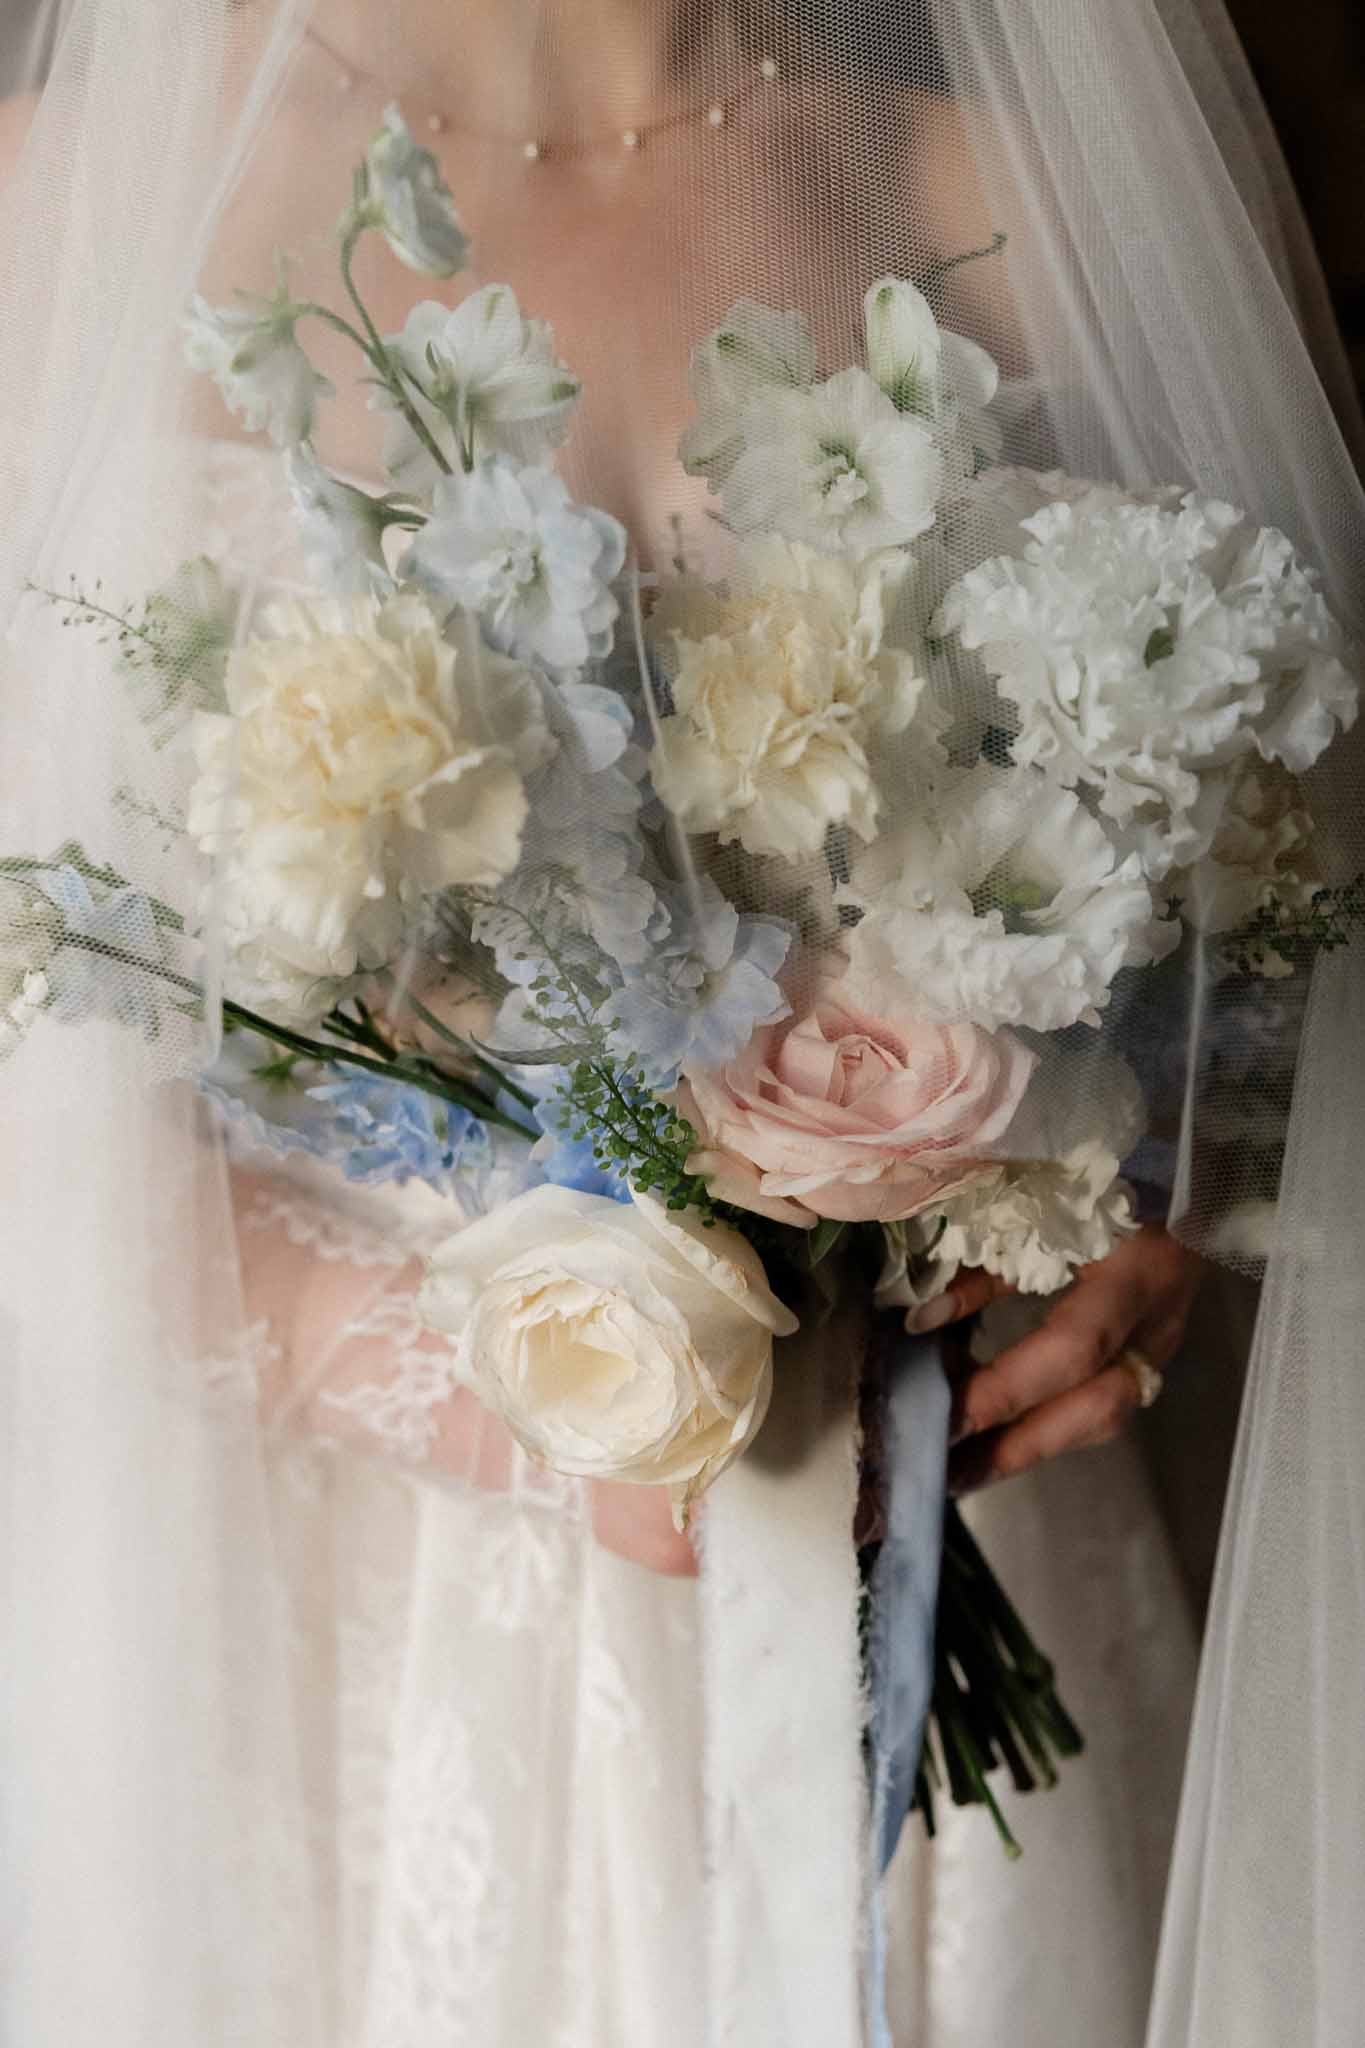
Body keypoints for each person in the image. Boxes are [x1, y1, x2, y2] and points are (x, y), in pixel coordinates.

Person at [1, 4, 1361, 2044]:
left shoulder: (1008, 194)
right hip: (364, 1623)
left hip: (954, 1550)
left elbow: (1254, 875)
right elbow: (50, 1058)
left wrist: (1141, 1208)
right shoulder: (68, 210)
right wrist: (526, 1400)